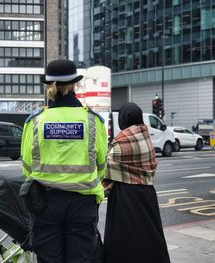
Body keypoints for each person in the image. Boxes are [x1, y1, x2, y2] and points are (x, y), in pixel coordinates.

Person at [21, 59, 107, 263]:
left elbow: (26, 167)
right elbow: (102, 165)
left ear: (49, 86)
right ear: (74, 85)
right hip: (82, 203)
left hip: (45, 202)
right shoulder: (93, 121)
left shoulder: (35, 121)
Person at [103, 102, 170, 263]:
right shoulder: (146, 138)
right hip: (146, 194)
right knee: (149, 234)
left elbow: (106, 170)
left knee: (123, 238)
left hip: (124, 196)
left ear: (123, 120)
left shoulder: (120, 144)